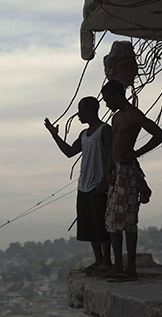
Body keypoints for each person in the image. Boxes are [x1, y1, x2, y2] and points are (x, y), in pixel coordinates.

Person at [100, 80, 162, 282]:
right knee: (112, 220)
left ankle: (130, 269)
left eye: (108, 99)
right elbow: (113, 148)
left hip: (128, 169)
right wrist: (109, 170)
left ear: (117, 95)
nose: (107, 104)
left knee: (127, 221)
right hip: (118, 170)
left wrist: (136, 152)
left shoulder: (133, 114)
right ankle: (118, 265)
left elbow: (158, 134)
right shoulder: (116, 117)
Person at [44, 97, 113, 274]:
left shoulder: (104, 130)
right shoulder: (84, 134)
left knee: (102, 224)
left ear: (89, 110)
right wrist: (54, 135)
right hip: (84, 185)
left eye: (80, 110)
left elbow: (111, 156)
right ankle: (99, 260)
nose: (78, 115)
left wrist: (105, 180)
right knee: (89, 225)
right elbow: (69, 152)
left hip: (99, 184)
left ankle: (107, 260)